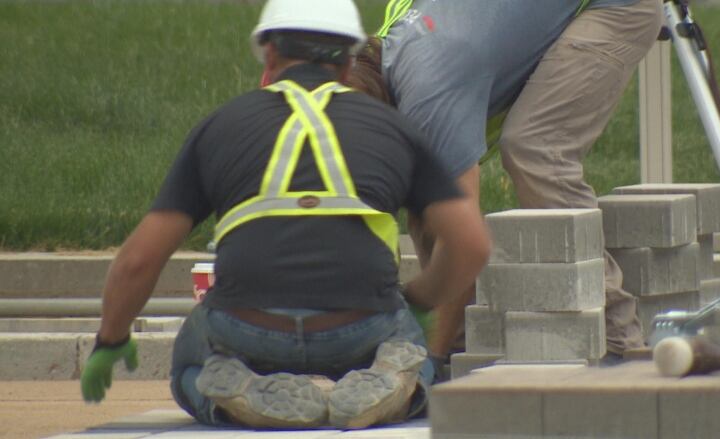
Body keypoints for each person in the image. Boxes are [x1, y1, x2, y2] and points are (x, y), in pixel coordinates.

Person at [79, 0, 490, 430]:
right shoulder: (394, 129)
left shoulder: (220, 126)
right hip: (360, 327)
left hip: (247, 326)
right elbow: (471, 243)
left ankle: (234, 387)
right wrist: (421, 299)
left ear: (270, 56)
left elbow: (138, 260)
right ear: (349, 65)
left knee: (190, 364)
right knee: (417, 360)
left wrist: (112, 339)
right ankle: (393, 380)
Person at [346, 0, 663, 367]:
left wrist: (418, 308)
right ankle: (461, 348)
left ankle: (620, 343)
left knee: (536, 148)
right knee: (430, 186)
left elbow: (465, 243)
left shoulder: (428, 89)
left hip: (618, 7)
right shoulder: (392, 52)